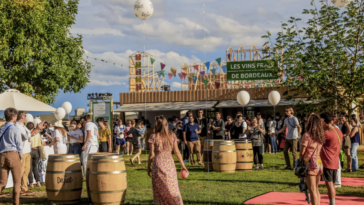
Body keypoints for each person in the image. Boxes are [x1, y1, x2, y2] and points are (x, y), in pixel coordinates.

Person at [147, 116, 187, 205]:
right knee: (172, 189)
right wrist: (183, 165)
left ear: (157, 124)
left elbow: (151, 154)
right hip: (170, 165)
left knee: (159, 193)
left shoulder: (153, 136)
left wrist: (148, 167)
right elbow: (177, 151)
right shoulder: (172, 135)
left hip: (158, 165)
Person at [15, 111, 43, 194]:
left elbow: (31, 134)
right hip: (22, 151)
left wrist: (37, 129)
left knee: (26, 170)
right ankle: (18, 188)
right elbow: (27, 136)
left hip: (27, 151)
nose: (25, 117)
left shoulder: (23, 126)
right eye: (24, 115)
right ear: (22, 117)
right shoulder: (17, 126)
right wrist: (36, 129)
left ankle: (24, 187)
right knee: (21, 170)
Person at [299, 114, 325, 205]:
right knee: (316, 189)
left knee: (312, 189)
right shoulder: (321, 135)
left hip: (309, 161)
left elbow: (302, 151)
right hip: (318, 161)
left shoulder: (307, 135)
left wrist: (300, 160)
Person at [0, 108, 23, 205]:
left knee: (2, 183)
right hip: (13, 154)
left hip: (2, 155)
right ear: (13, 116)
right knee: (17, 182)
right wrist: (20, 157)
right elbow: (20, 146)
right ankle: (16, 203)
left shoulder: (1, 128)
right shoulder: (16, 129)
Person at [320, 112, 343, 205]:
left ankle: (332, 203)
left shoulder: (327, 133)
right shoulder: (338, 131)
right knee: (332, 184)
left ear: (323, 121)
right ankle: (332, 202)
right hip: (334, 160)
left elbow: (316, 140)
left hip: (327, 161)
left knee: (329, 184)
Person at [26, 122, 42, 188]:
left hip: (30, 150)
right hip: (37, 150)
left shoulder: (28, 133)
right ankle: (38, 182)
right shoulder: (38, 133)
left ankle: (31, 183)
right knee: (35, 167)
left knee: (29, 168)